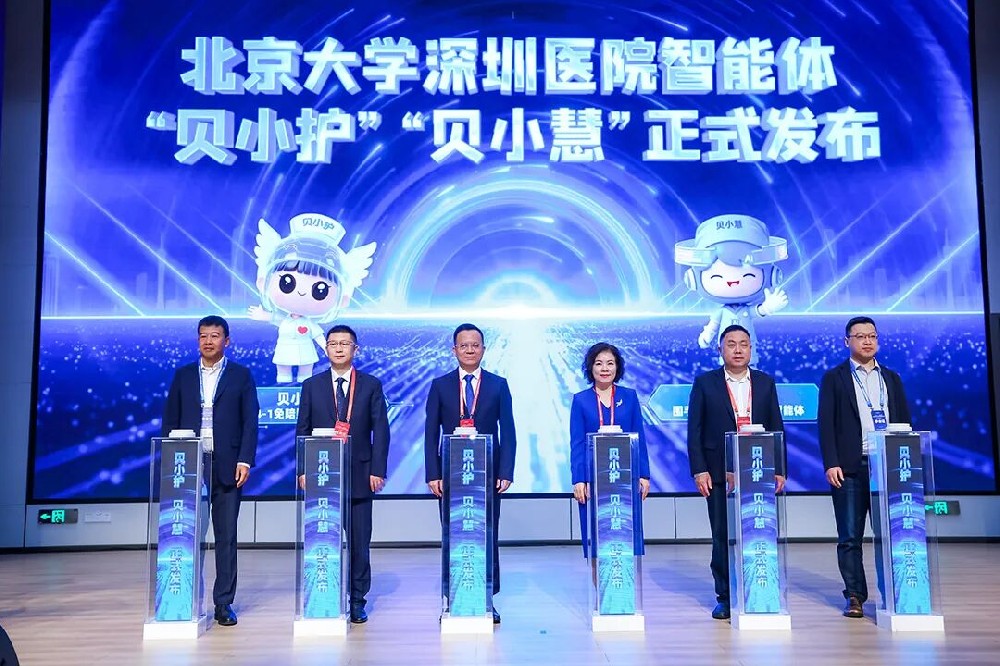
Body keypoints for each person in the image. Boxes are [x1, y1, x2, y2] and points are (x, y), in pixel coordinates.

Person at [162, 315, 259, 627]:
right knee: (182, 533)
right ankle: (181, 599)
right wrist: (169, 460)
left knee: (226, 535)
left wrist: (245, 460)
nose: (208, 341)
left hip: (227, 464)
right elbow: (170, 419)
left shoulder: (241, 375)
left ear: (226, 341)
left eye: (214, 336)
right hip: (188, 464)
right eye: (203, 336)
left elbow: (250, 421)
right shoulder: (183, 375)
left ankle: (223, 603)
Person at [687, 324, 785, 620]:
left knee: (760, 531)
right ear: (720, 349)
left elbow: (777, 427)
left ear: (751, 349)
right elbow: (694, 430)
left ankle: (760, 591)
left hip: (759, 472)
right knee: (721, 535)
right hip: (718, 473)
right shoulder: (705, 383)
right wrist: (699, 470)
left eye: (744, 344)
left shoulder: (765, 383)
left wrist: (779, 469)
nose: (738, 350)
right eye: (731, 344)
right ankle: (725, 597)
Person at [296, 324, 390, 624]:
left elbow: (381, 431)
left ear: (355, 349)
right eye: (333, 343)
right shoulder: (312, 385)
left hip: (361, 475)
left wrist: (377, 469)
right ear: (325, 349)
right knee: (324, 540)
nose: (338, 348)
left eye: (344, 343)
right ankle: (325, 595)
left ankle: (357, 600)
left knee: (360, 544)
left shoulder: (370, 385)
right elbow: (302, 430)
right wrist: (303, 469)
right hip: (323, 477)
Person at [819, 316, 911, 619]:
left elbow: (905, 421)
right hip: (850, 466)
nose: (867, 341)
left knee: (891, 534)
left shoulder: (891, 378)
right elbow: (826, 424)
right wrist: (831, 462)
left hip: (888, 466)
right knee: (849, 537)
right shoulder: (835, 378)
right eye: (860, 336)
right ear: (847, 341)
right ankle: (855, 596)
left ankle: (895, 594)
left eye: (872, 336)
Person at [424, 323, 516, 624]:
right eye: (463, 345)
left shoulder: (498, 385)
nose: (469, 350)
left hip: (488, 475)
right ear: (454, 350)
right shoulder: (440, 385)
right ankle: (452, 599)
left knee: (487, 534)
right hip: (450, 476)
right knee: (452, 534)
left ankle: (487, 598)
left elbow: (508, 431)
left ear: (483, 350)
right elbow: (430, 433)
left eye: (475, 345)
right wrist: (432, 473)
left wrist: (506, 470)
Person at [569, 342, 650, 564]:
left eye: (610, 363)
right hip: (593, 481)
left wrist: (643, 474)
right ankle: (599, 583)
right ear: (590, 367)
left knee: (625, 532)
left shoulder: (629, 397)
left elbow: (640, 437)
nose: (605, 368)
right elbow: (577, 443)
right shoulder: (581, 400)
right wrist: (579, 479)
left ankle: (624, 580)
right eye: (599, 363)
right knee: (596, 538)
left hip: (625, 478)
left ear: (617, 367)